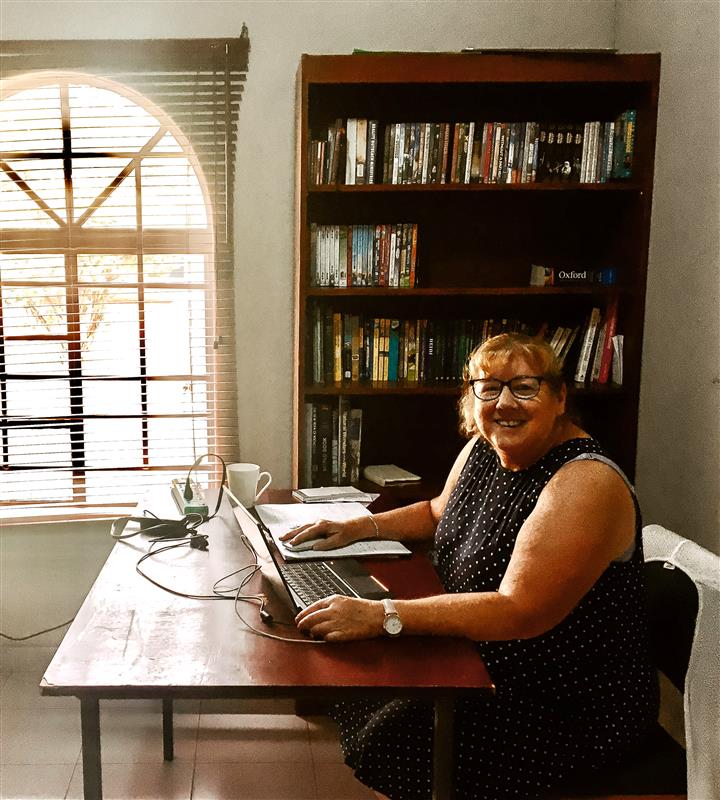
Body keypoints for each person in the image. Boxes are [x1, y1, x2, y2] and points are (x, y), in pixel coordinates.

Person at [282, 332, 659, 800]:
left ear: (560, 398)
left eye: (525, 387)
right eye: (489, 387)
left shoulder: (585, 482)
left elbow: (519, 610)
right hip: (480, 655)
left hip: (562, 698)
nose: (505, 403)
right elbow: (439, 510)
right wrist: (358, 527)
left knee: (394, 733)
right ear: (472, 396)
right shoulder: (485, 449)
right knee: (358, 678)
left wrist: (383, 615)